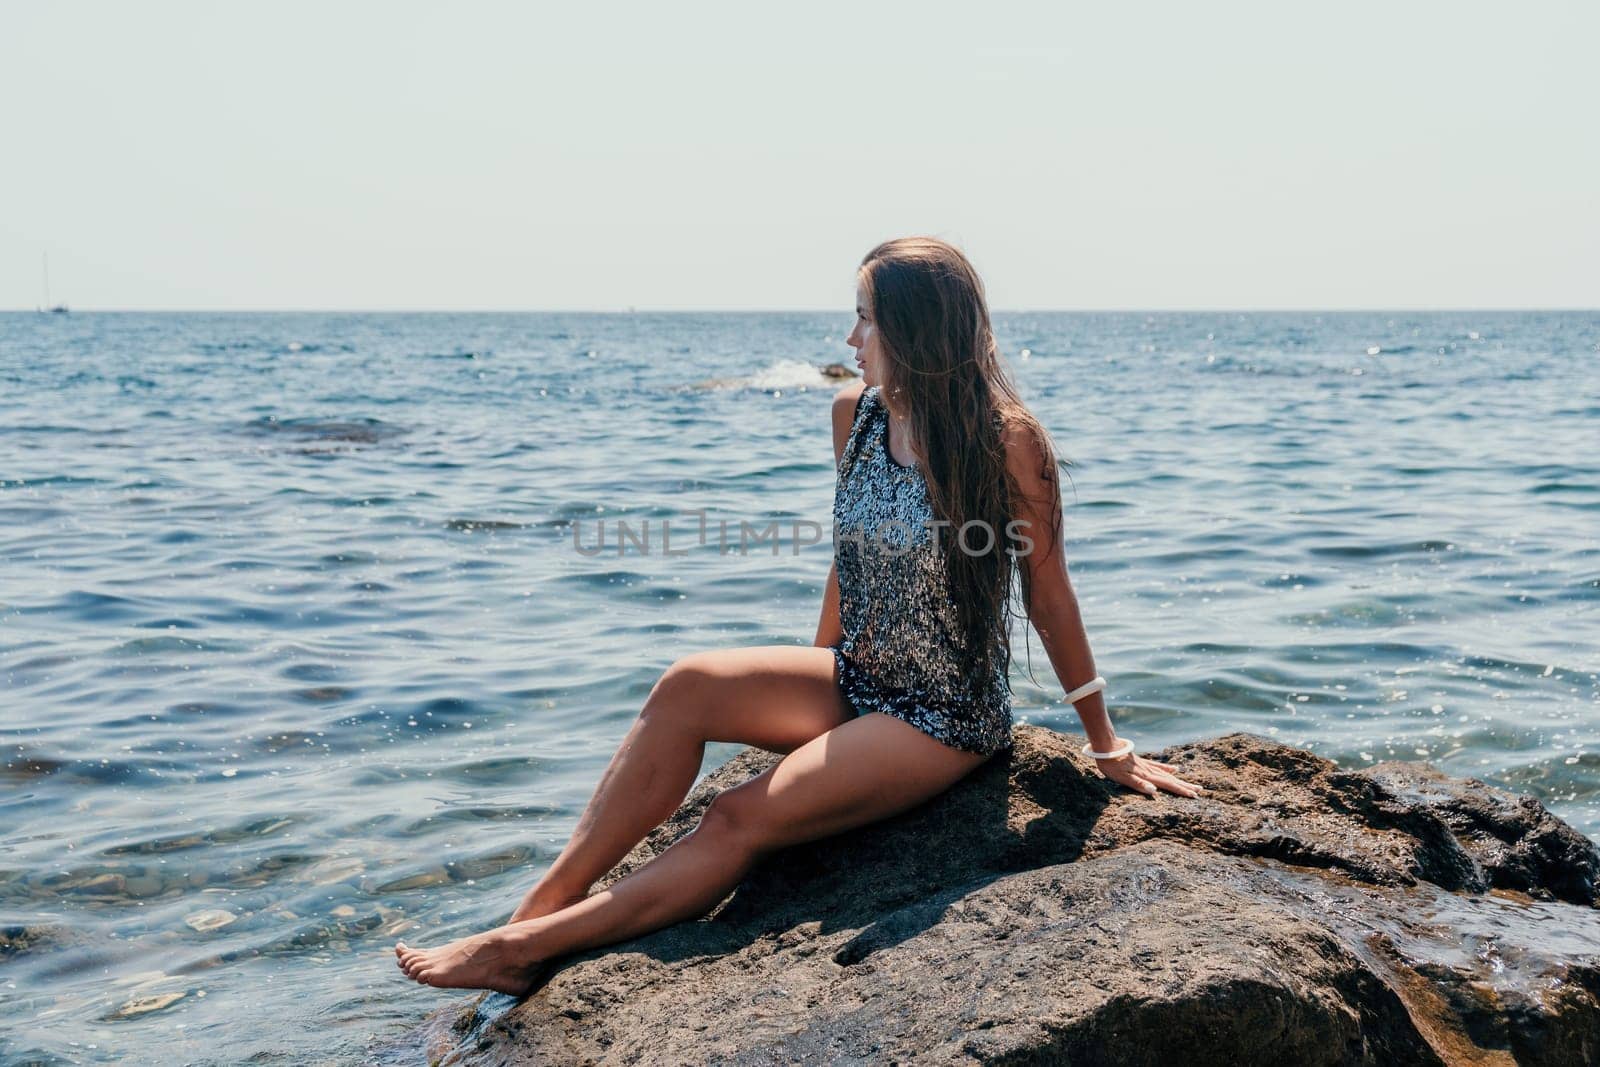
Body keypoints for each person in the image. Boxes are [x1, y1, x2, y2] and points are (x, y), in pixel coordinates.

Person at [394, 236, 1205, 995]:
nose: (852, 339)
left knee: (737, 814)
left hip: (941, 716)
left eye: (866, 319)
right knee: (685, 684)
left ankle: (523, 951)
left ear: (913, 330)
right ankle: (543, 900)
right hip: (858, 677)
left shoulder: (1006, 443)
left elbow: (1050, 593)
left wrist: (1106, 743)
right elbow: (847, 556)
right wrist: (819, 676)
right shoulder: (856, 415)